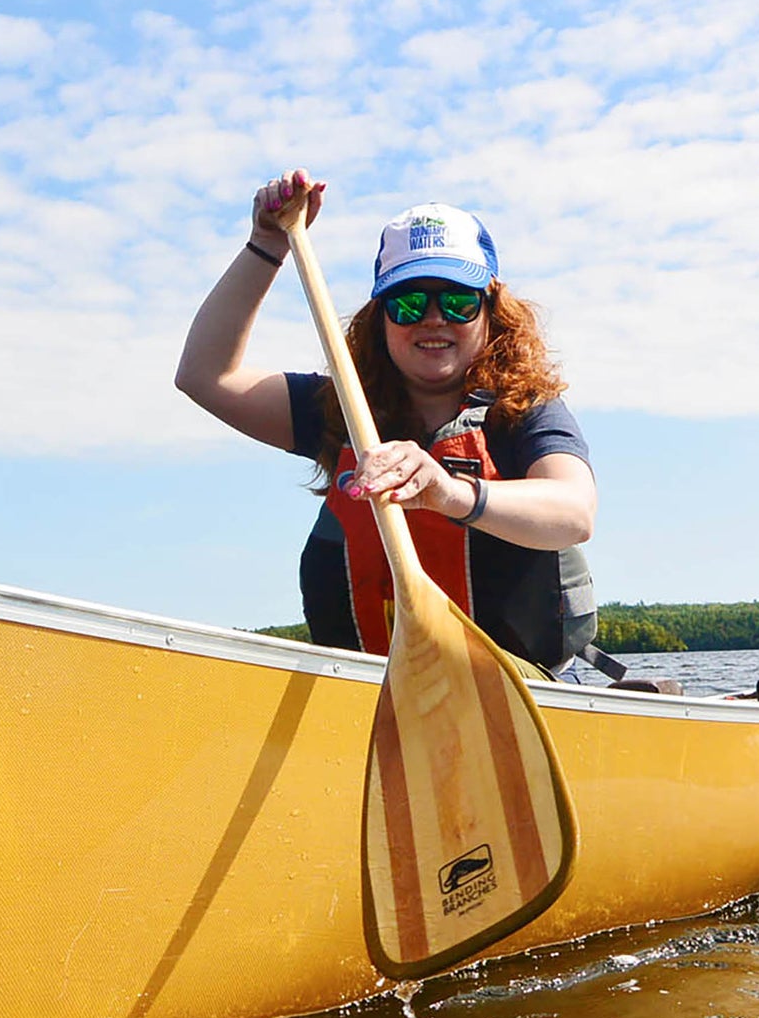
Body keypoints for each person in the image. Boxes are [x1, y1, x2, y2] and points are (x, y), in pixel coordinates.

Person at [175, 169, 597, 675]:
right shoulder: (340, 412)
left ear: (491, 314)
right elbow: (204, 375)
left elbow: (575, 512)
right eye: (409, 302)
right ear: (381, 318)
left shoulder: (526, 411)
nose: (434, 318)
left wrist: (448, 492)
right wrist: (267, 244)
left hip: (518, 688)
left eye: (459, 303)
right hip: (372, 692)